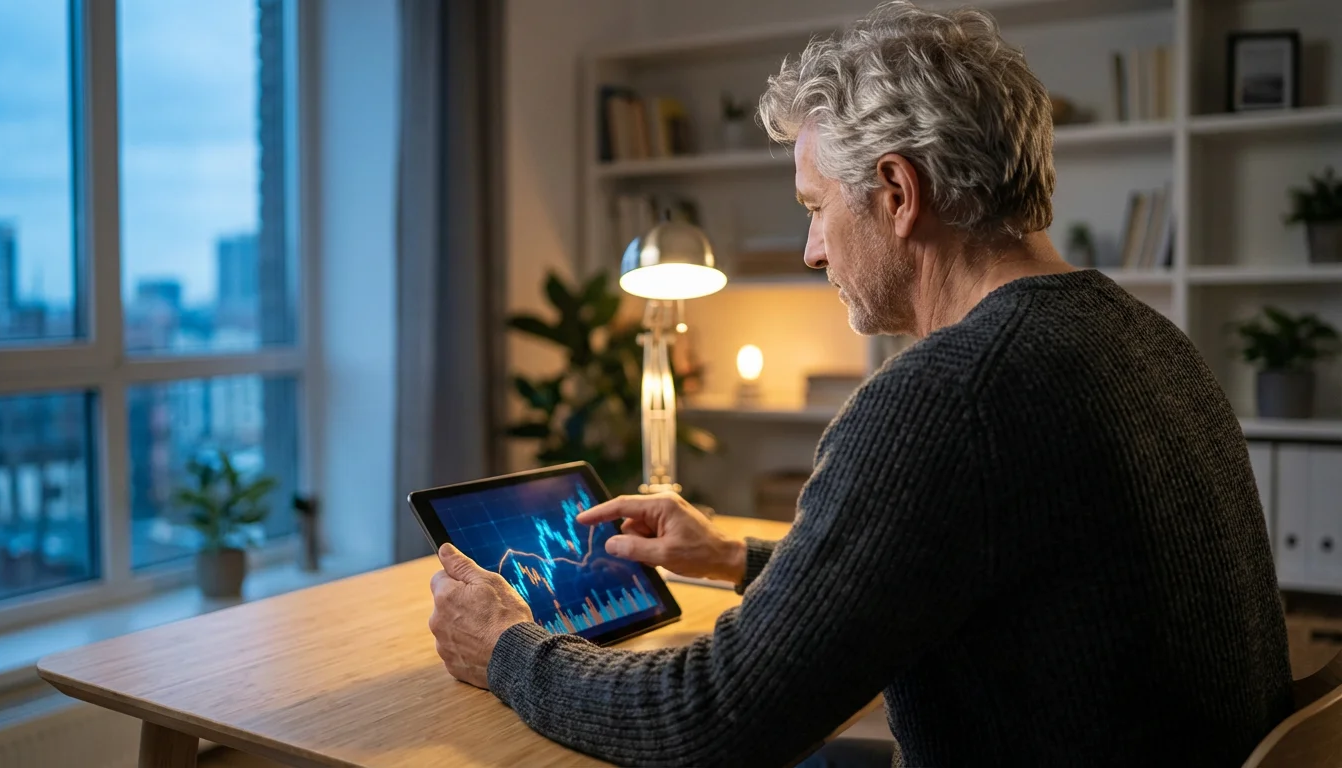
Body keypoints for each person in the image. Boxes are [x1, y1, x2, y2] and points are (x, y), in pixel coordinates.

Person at [428, 2, 1294, 765]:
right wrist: (736, 559)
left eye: (814, 207)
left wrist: (508, 647)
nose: (811, 250)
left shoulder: (949, 398)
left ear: (896, 192)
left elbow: (711, 723)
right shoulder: (1145, 341)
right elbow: (978, 576)